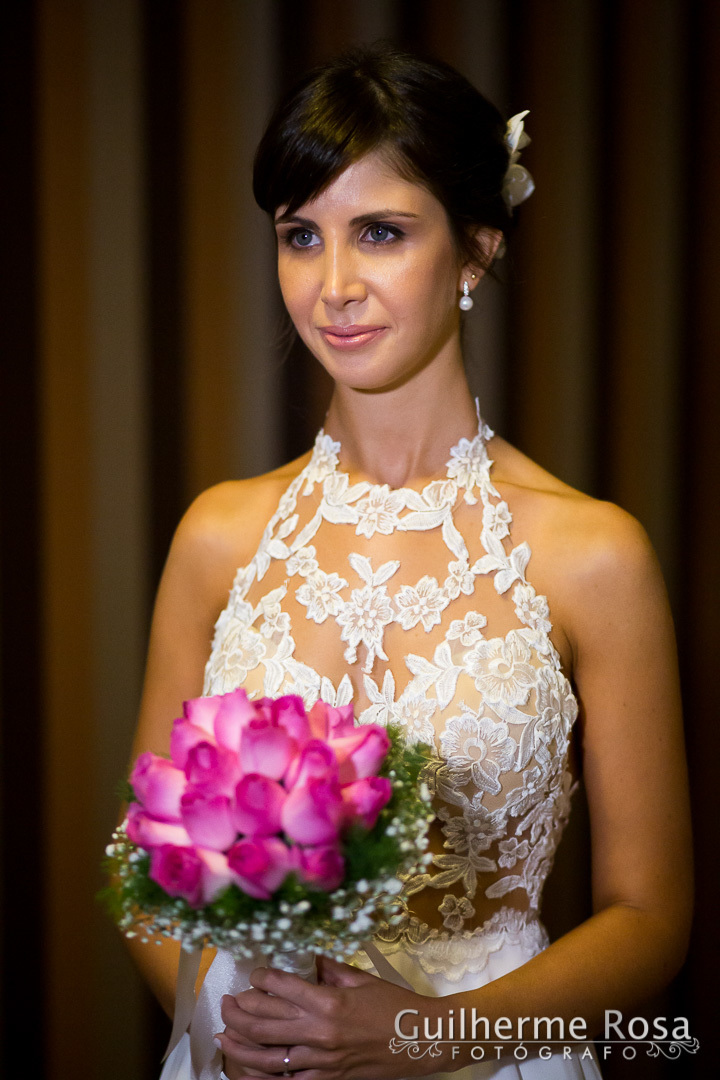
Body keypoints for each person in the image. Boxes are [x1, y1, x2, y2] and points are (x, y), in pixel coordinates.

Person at [127, 43, 692, 1080]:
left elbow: (650, 917)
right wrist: (240, 1034)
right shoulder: (218, 537)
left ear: (476, 251)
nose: (334, 286)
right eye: (303, 237)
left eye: (380, 233)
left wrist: (421, 1036)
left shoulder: (593, 553)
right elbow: (147, 875)